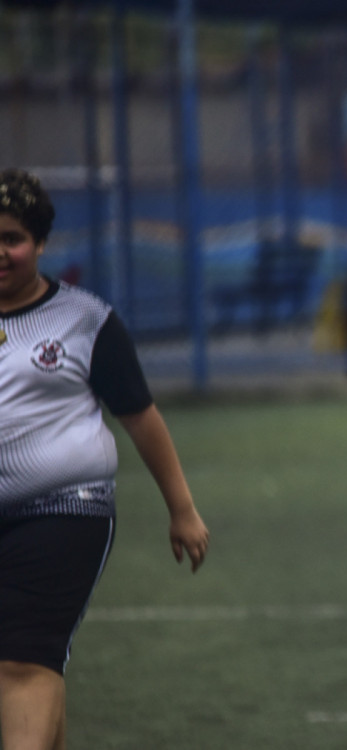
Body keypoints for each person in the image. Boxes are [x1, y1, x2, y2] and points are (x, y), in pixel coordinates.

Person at [0, 168, 209, 750]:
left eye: (11, 238)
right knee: (32, 658)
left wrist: (182, 509)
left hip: (66, 511)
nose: (0, 252)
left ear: (39, 244)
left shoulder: (85, 321)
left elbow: (141, 417)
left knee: (21, 657)